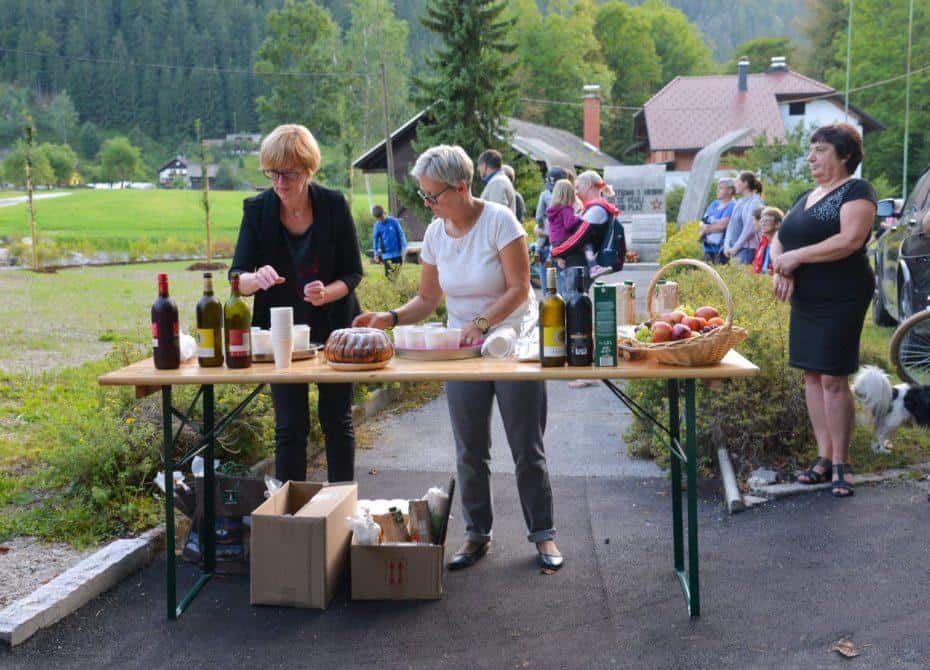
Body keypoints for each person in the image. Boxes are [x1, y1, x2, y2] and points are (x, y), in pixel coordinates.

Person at [353, 144, 563, 572]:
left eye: (433, 195)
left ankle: (543, 534)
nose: (427, 204)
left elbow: (520, 288)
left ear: (462, 187)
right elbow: (428, 299)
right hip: (462, 351)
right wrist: (390, 317)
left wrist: (483, 322)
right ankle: (476, 534)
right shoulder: (435, 234)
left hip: (512, 344)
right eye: (424, 195)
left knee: (527, 447)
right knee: (470, 450)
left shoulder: (499, 222)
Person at [230, 124, 363, 483]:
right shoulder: (257, 210)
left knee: (337, 421)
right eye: (272, 173)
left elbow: (352, 273)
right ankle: (291, 509)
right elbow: (236, 277)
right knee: (290, 426)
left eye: (288, 173)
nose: (279, 182)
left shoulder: (334, 205)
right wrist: (255, 279)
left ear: (308, 169)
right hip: (281, 334)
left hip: (334, 330)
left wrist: (327, 292)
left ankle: (341, 505)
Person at [770, 123, 877, 498]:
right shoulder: (807, 196)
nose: (811, 157)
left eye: (820, 150)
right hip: (807, 297)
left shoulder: (857, 191)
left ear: (844, 155)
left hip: (842, 294)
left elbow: (850, 240)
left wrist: (796, 257)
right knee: (812, 376)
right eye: (810, 150)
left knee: (833, 377)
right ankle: (823, 456)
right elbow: (779, 238)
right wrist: (780, 266)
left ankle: (842, 462)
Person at [550, 170, 619, 286]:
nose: (576, 193)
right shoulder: (593, 209)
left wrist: (555, 252)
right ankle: (594, 267)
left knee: (572, 295)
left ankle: (594, 268)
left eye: (577, 187)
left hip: (576, 263)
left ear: (588, 185)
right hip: (575, 262)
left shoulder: (594, 210)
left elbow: (578, 238)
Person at [723, 171, 765, 263]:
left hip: (746, 250)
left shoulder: (755, 202)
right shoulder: (739, 202)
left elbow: (749, 229)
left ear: (745, 183)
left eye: (737, 181)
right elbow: (731, 225)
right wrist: (726, 245)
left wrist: (735, 247)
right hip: (733, 250)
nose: (735, 185)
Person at [698, 178, 736, 263]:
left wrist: (705, 229)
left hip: (721, 250)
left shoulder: (732, 205)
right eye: (717, 188)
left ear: (730, 190)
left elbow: (722, 226)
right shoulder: (714, 203)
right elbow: (702, 221)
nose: (717, 190)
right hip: (707, 247)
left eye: (721, 188)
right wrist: (712, 225)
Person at [371, 204, 407, 280]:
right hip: (386, 255)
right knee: (389, 276)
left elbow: (401, 234)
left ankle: (397, 286)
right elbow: (375, 240)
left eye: (382, 217)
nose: (381, 220)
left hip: (397, 253)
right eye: (379, 219)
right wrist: (376, 254)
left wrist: (404, 248)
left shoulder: (394, 221)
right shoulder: (377, 226)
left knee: (396, 274)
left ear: (384, 213)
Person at [477, 149, 516, 214]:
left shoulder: (497, 182)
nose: (478, 169)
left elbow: (498, 215)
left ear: (484, 165)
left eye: (479, 165)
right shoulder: (499, 180)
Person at [752, 206, 783, 274]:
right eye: (762, 221)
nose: (763, 223)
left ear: (778, 224)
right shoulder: (763, 241)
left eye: (767, 221)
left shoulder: (782, 244)